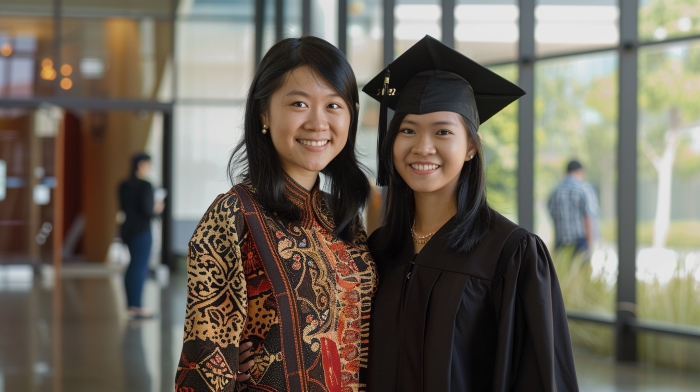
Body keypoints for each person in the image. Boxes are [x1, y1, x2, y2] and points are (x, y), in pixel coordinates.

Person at [362, 36, 578, 391]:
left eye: (443, 131)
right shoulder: (379, 249)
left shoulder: (512, 254)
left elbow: (540, 378)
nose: (422, 147)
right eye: (408, 130)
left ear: (471, 148)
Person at [175, 36, 377, 392]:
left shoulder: (343, 216)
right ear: (264, 113)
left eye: (334, 105)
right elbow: (203, 367)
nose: (318, 123)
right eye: (299, 103)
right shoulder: (234, 215)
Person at [118, 153, 164, 319]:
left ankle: (131, 305)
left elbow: (124, 208)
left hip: (127, 230)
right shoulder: (145, 185)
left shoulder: (123, 185)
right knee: (139, 267)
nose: (149, 168)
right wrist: (157, 210)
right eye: (148, 164)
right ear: (141, 164)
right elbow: (147, 211)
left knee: (132, 266)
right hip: (142, 231)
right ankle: (136, 307)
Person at [547, 160, 600, 255]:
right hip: (580, 242)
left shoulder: (556, 190)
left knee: (561, 269)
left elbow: (551, 213)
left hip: (560, 242)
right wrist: (590, 246)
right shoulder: (584, 189)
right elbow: (588, 217)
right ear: (579, 171)